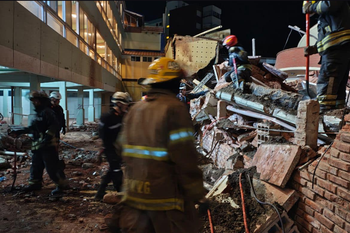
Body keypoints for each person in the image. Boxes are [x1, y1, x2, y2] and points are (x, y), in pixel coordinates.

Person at [108, 57, 207, 233]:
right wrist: (196, 192)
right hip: (165, 203)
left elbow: (120, 148)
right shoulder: (174, 109)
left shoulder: (135, 109)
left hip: (134, 198)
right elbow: (185, 158)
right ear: (173, 83)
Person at [9, 91, 68, 196]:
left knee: (52, 167)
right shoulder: (38, 113)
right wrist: (20, 131)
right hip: (38, 145)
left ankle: (61, 185)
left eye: (36, 100)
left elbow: (54, 125)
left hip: (48, 145)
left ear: (41, 101)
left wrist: (48, 137)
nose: (34, 102)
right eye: (33, 100)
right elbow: (34, 128)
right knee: (36, 165)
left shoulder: (48, 112)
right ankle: (35, 183)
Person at [303, 1, 350, 112]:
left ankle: (324, 117)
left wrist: (311, 7)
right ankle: (337, 116)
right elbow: (328, 38)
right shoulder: (329, 17)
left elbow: (329, 5)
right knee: (336, 91)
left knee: (327, 85)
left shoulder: (331, 6)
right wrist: (314, 49)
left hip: (336, 52)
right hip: (338, 51)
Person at [94, 91, 133, 201]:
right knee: (116, 171)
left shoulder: (121, 117)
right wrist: (103, 150)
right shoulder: (107, 117)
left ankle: (100, 193)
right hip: (110, 149)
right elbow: (103, 136)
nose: (127, 106)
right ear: (119, 104)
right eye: (125, 104)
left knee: (112, 170)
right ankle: (120, 191)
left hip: (118, 148)